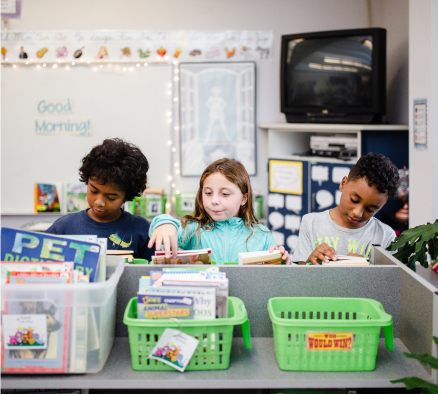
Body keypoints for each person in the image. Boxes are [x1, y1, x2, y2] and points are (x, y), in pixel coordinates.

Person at [148, 158, 290, 264]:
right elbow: (164, 232)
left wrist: (284, 262)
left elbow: (277, 274)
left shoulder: (262, 235)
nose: (214, 200)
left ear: (243, 199)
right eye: (208, 193)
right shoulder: (193, 229)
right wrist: (165, 224)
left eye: (225, 194)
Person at [46, 138, 154, 260]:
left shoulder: (141, 229)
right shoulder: (63, 228)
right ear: (87, 181)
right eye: (93, 191)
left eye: (111, 197)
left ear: (126, 197)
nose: (99, 202)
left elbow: (151, 273)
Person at [292, 153, 400, 265]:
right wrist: (310, 261)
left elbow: (391, 281)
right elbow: (299, 278)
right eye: (354, 200)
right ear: (343, 183)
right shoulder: (311, 224)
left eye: (370, 209)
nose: (357, 213)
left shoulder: (386, 237)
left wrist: (368, 272)